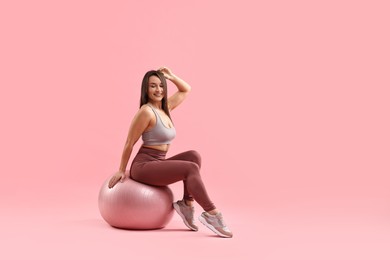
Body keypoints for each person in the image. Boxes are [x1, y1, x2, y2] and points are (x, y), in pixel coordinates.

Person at [108, 67, 233, 238]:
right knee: (190, 168)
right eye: (153, 86)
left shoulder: (165, 108)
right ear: (146, 89)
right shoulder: (146, 112)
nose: (158, 89)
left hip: (158, 161)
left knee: (193, 156)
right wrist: (122, 169)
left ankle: (186, 204)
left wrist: (171, 76)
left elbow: (186, 89)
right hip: (144, 166)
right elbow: (130, 142)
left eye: (161, 85)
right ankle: (212, 213)